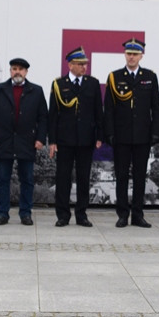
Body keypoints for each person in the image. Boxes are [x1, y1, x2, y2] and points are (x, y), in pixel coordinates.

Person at [104, 38, 159, 228]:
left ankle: (138, 214)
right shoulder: (115, 77)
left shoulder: (150, 77)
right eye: (129, 53)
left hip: (143, 136)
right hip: (121, 136)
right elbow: (109, 108)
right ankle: (122, 214)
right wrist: (110, 133)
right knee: (121, 175)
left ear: (141, 55)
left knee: (139, 176)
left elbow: (156, 108)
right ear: (125, 55)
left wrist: (155, 133)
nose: (132, 57)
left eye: (135, 54)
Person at [0, 57, 47, 225]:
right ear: (10, 71)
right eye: (14, 68)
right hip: (4, 141)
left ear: (26, 72)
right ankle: (2, 213)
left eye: (20, 69)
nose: (17, 72)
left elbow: (43, 118)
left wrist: (40, 139)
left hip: (27, 141)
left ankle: (25, 213)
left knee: (26, 179)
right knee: (2, 179)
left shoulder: (37, 91)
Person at [48, 47, 102, 227]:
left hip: (86, 140)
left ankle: (81, 214)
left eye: (85, 64)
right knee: (63, 178)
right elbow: (53, 114)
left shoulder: (92, 83)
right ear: (70, 65)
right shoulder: (58, 84)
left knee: (83, 177)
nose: (84, 67)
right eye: (80, 64)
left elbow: (98, 113)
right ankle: (63, 215)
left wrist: (99, 136)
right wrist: (53, 140)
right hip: (65, 139)